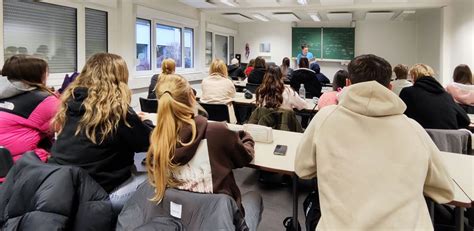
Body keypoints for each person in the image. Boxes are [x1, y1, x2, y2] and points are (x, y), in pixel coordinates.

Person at [295, 54, 454, 230]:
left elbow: (302, 169)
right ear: (390, 87)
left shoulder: (325, 119)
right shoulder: (414, 129)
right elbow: (444, 190)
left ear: (347, 84)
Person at [146, 73, 263, 230]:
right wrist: (245, 137)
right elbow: (245, 157)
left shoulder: (158, 140)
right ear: (191, 97)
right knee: (255, 198)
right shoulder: (217, 132)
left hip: (179, 219)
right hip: (217, 220)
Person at [49, 53, 152, 213]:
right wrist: (146, 123)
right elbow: (148, 142)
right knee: (155, 181)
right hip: (99, 192)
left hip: (61, 187)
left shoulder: (71, 104)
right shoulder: (117, 112)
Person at [0, 55, 59, 164]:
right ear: (36, 76)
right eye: (46, 72)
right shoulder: (44, 101)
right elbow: (68, 128)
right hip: (15, 169)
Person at [400, 63, 470, 129]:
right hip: (448, 140)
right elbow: (466, 120)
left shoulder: (407, 92)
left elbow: (401, 118)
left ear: (413, 77)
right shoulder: (446, 96)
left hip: (420, 139)